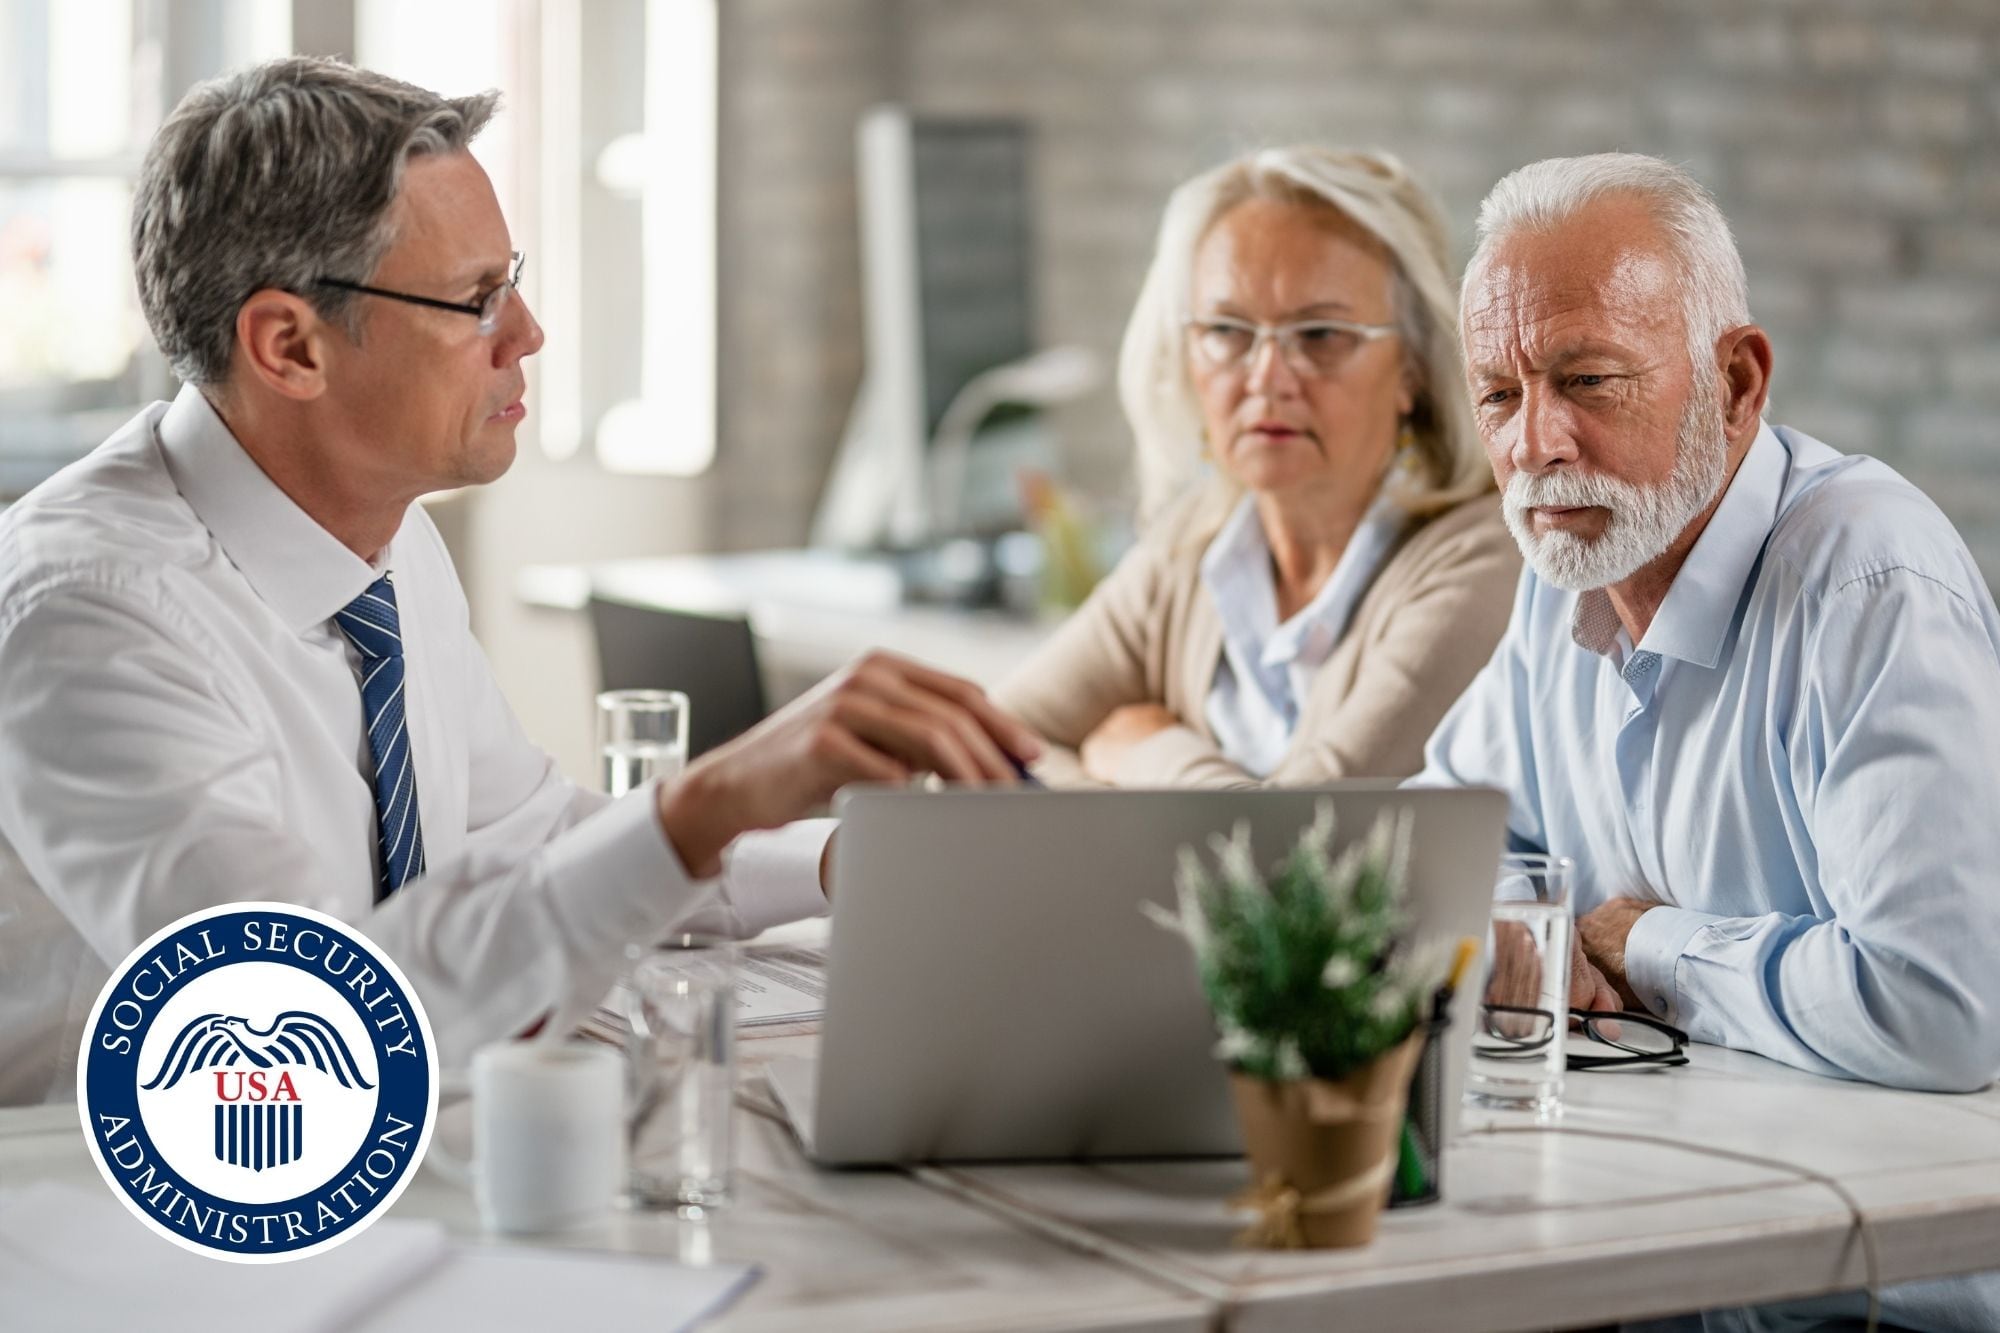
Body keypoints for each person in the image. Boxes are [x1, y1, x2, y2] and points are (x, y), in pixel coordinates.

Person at [0, 57, 1038, 1107]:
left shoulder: (379, 540)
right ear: (288, 346)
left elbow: (531, 842)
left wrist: (836, 863)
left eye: (514, 277)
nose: (528, 333)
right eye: (475, 298)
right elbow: (299, 1024)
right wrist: (701, 804)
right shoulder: (89, 613)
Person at [1417, 152, 2000, 1331]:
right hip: (1644, 1254)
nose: (1536, 442)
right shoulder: (1561, 570)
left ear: (1734, 382)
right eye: (1496, 395)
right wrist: (1486, 924)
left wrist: (1650, 948)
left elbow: (1936, 1005)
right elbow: (1432, 842)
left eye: (1585, 378)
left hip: (1866, 1310)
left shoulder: (1865, 581)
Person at [997, 148, 1518, 790]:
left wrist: (1146, 751)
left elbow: (1299, 859)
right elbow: (981, 752)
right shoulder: (1192, 551)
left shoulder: (1485, 563)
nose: (1267, 379)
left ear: (1412, 367)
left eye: (1321, 335)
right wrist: (1123, 808)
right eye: (1227, 330)